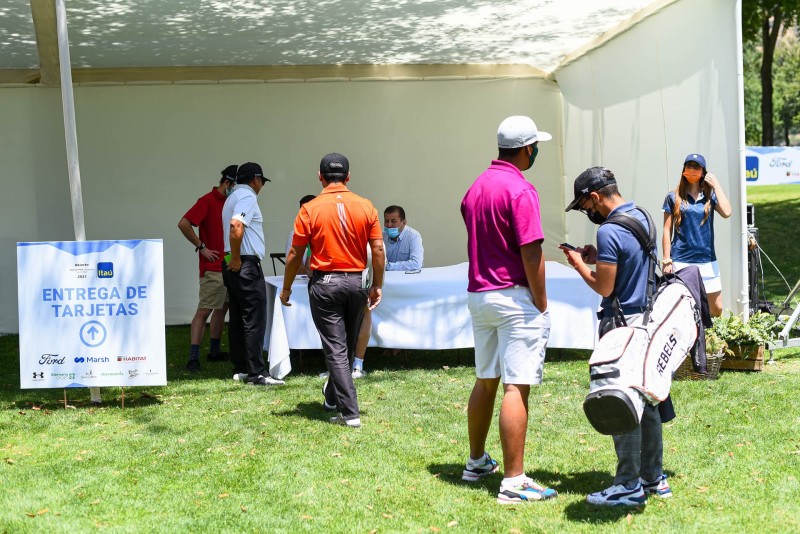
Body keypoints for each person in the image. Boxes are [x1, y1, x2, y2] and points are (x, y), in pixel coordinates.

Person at [460, 115, 556, 504]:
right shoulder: (521, 189)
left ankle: (476, 462)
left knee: (486, 380)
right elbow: (531, 251)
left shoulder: (476, 186)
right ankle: (514, 482)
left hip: (480, 295)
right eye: (536, 147)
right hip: (513, 297)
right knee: (516, 385)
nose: (536, 152)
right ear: (526, 149)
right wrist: (542, 302)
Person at [561, 166, 671, 506]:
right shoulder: (642, 215)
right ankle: (653, 478)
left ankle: (627, 485)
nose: (586, 212)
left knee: (618, 402)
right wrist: (600, 257)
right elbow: (632, 259)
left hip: (620, 327)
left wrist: (579, 264)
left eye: (584, 206)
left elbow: (605, 286)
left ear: (595, 197)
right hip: (646, 322)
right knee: (647, 402)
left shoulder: (608, 230)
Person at [280, 153, 385, 428]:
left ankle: (349, 413)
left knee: (336, 349)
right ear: (348, 177)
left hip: (326, 283)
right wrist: (377, 284)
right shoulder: (366, 205)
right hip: (356, 282)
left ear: (320, 176)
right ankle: (331, 397)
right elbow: (378, 249)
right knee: (345, 345)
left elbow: (295, 252)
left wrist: (287, 287)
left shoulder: (309, 209)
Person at [222, 162, 284, 387]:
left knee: (238, 318)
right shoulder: (248, 196)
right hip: (244, 263)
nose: (261, 186)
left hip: (231, 262)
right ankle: (257, 373)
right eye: (261, 182)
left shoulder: (231, 197)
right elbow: (236, 225)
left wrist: (233, 258)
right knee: (254, 319)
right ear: (255, 180)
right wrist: (237, 258)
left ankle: (241, 368)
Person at [351, 205, 424, 378]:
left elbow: (416, 263)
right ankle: (386, 342)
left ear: (403, 222)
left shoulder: (414, 236)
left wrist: (388, 266)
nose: (389, 225)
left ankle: (399, 344)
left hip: (405, 286)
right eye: (386, 221)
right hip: (384, 284)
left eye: (394, 221)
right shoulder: (381, 236)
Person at [178, 165, 237, 372]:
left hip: (229, 264)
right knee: (204, 310)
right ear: (227, 183)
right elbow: (184, 223)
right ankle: (193, 357)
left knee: (223, 307)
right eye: (236, 186)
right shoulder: (207, 201)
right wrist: (201, 247)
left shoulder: (231, 201)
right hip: (213, 267)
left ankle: (214, 351)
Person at [661, 154, 732, 316]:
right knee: (682, 306)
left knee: (716, 308)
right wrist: (666, 259)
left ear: (703, 172)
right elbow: (666, 230)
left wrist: (716, 186)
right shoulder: (673, 197)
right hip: (681, 260)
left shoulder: (710, 196)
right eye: (689, 166)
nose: (692, 170)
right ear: (684, 170)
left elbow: (727, 212)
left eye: (696, 167)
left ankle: (707, 331)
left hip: (707, 260)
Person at [284, 194, 316, 275]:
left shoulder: (326, 231)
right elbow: (296, 266)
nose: (304, 215)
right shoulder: (294, 235)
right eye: (302, 212)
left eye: (308, 211)